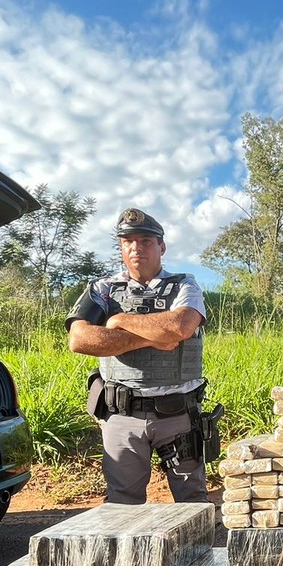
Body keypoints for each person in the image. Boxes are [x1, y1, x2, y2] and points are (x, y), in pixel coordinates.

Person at [66, 207, 210, 504]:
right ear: (121, 246)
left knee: (192, 499)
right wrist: (152, 338)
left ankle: (201, 552)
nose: (136, 248)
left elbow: (180, 326)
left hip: (177, 415)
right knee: (122, 502)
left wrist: (119, 322)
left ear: (162, 246)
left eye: (145, 240)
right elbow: (79, 339)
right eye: (128, 241)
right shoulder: (102, 289)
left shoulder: (185, 284)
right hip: (121, 415)